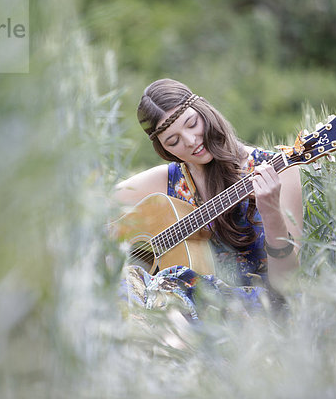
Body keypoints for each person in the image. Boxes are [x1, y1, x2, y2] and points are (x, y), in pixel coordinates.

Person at [115, 78, 303, 319]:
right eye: (174, 141)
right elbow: (93, 208)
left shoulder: (278, 170)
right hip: (182, 310)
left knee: (169, 299)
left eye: (192, 124)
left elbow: (287, 284)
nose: (191, 141)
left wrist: (271, 213)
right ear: (165, 150)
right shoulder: (167, 180)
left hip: (259, 310)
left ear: (204, 111)